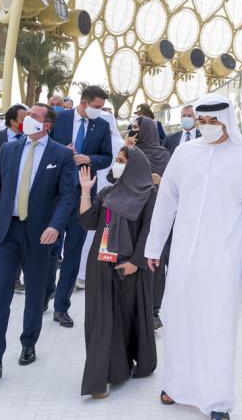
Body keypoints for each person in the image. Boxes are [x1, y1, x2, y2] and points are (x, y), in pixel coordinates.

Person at [144, 93, 242, 418]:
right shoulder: (185, 154)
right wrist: (154, 247)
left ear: (227, 119)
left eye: (214, 121)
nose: (208, 126)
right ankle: (175, 386)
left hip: (224, 261)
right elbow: (166, 202)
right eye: (203, 121)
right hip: (184, 258)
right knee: (180, 322)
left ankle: (217, 401)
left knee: (217, 328)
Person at [0, 104, 76, 379]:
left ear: (47, 126)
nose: (28, 119)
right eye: (27, 115)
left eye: (35, 117)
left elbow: (68, 196)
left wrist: (56, 226)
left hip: (39, 234)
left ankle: (28, 343)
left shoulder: (61, 155)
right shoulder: (9, 150)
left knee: (34, 294)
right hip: (5, 232)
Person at [78, 149, 157, 398]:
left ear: (135, 166)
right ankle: (102, 378)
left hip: (129, 267)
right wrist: (85, 191)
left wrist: (136, 262)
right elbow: (88, 222)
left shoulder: (150, 194)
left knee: (125, 318)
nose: (118, 165)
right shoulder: (107, 192)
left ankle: (123, 366)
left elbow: (150, 229)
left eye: (123, 161)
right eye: (117, 161)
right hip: (100, 264)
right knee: (101, 320)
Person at [47, 85, 112, 328]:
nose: (100, 111)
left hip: (82, 197)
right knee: (50, 249)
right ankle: (45, 294)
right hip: (54, 195)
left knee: (73, 253)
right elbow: (43, 147)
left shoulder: (102, 126)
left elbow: (106, 156)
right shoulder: (59, 118)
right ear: (83, 103)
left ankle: (61, 306)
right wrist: (61, 153)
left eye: (102, 108)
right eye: (96, 107)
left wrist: (89, 159)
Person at [0, 104, 29, 292]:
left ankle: (14, 278)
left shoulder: (31, 139)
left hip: (20, 200)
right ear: (13, 122)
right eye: (25, 120)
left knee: (15, 237)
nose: (30, 124)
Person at [76, 106, 124, 290]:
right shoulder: (120, 144)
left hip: (91, 194)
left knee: (88, 235)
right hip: (111, 198)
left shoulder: (91, 143)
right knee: (107, 236)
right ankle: (103, 274)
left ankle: (83, 273)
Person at [129, 116, 171, 329]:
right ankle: (134, 308)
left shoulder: (164, 155)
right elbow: (113, 177)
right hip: (132, 213)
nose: (134, 132)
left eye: (137, 128)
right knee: (132, 257)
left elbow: (176, 184)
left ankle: (153, 310)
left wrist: (161, 181)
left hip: (157, 213)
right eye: (132, 128)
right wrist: (126, 152)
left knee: (156, 261)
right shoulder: (130, 151)